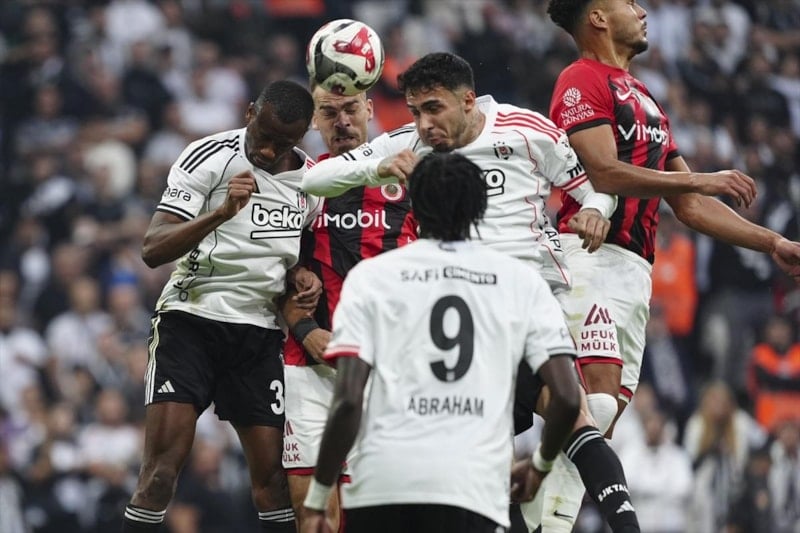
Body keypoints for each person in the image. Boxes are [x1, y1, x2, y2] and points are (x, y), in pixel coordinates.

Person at [301, 51, 640, 533]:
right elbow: (313, 178)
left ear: (467, 101)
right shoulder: (405, 143)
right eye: (415, 112)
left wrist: (595, 211)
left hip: (529, 295)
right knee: (516, 436)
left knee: (581, 413)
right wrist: (376, 169)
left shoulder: (527, 130)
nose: (423, 124)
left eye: (433, 109)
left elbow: (595, 188)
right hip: (466, 298)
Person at [535, 1, 800, 530]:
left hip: (635, 272)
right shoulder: (580, 79)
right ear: (598, 17)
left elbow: (690, 206)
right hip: (591, 257)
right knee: (592, 408)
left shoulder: (644, 96)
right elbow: (604, 172)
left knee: (598, 425)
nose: (641, 10)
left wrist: (771, 242)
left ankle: (531, 514)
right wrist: (699, 177)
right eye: (628, 2)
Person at [301, 152, 582, 533]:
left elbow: (349, 399)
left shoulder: (372, 278)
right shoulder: (520, 281)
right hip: (473, 486)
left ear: (413, 204)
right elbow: (567, 397)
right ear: (481, 208)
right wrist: (539, 466)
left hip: (384, 484)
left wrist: (318, 497)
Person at [122, 80, 322, 533]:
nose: (267, 151)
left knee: (273, 484)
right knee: (160, 475)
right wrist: (219, 213)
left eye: (282, 143)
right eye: (262, 135)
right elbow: (152, 248)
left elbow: (296, 258)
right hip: (190, 321)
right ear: (249, 112)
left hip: (259, 333)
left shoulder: (312, 184)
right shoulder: (208, 156)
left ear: (303, 135)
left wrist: (301, 273)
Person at [280, 82, 416, 531]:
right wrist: (304, 329)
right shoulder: (300, 185)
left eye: (351, 109)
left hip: (387, 372)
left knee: (376, 514)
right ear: (313, 121)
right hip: (311, 368)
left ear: (370, 110)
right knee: (312, 512)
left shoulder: (410, 178)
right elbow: (273, 269)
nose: (342, 122)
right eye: (329, 112)